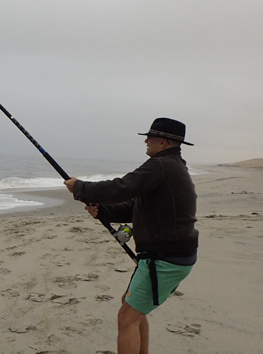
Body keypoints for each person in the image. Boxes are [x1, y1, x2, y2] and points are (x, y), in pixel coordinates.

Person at [63, 118, 198, 354]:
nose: (146, 141)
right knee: (131, 305)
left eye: (150, 137)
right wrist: (102, 211)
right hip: (166, 256)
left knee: (127, 317)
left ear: (163, 141)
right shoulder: (171, 167)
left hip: (165, 259)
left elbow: (122, 187)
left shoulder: (161, 166)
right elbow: (135, 207)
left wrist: (80, 187)